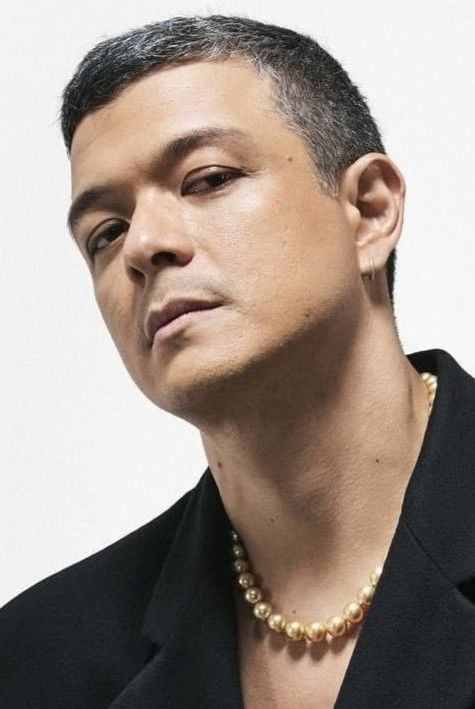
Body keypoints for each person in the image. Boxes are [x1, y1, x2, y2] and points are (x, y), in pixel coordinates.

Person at [1, 13, 474, 709]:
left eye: (208, 179)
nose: (143, 246)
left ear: (368, 211)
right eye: (106, 232)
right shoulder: (38, 658)